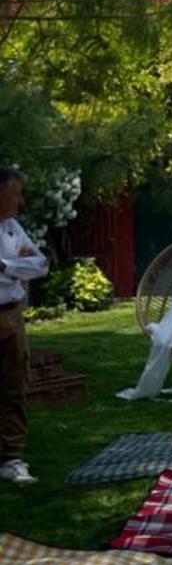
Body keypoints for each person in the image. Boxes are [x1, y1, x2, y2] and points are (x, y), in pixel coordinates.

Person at [0, 168, 49, 485]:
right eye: (15, 193)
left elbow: (40, 265)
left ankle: (11, 458)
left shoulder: (12, 229)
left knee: (13, 386)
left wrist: (6, 267)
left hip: (10, 315)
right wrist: (17, 270)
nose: (20, 200)